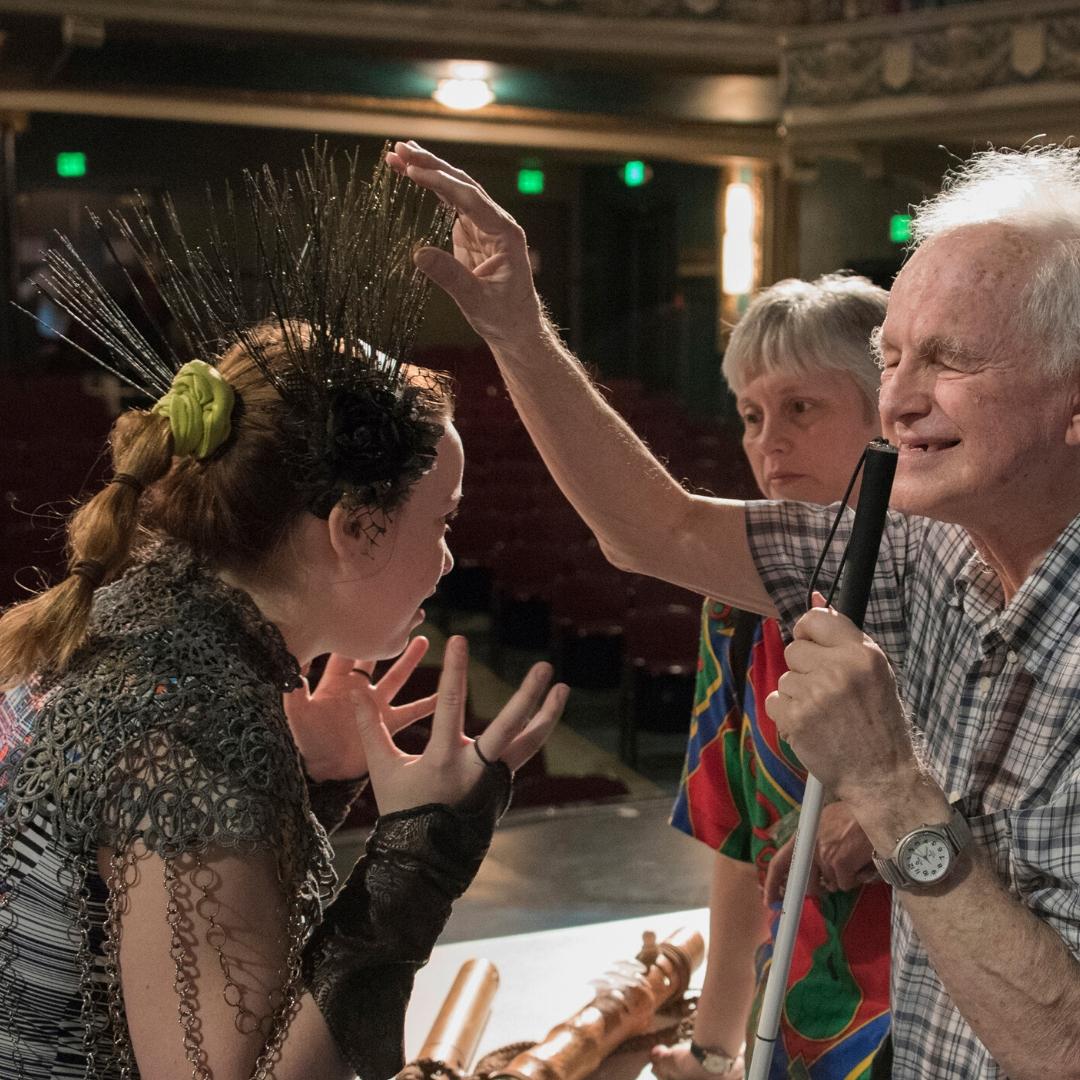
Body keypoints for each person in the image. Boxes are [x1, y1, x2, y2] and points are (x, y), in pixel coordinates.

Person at [390, 140, 1080, 1078]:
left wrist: (885, 789)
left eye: (951, 359)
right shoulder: (930, 552)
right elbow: (656, 531)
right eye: (891, 360)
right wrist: (515, 325)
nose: (901, 402)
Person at [0, 145, 567, 1080]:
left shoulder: (142, 628)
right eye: (443, 522)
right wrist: (420, 853)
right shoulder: (190, 728)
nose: (450, 558)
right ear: (354, 529)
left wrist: (305, 780)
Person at [651, 274, 891, 1080]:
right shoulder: (738, 608)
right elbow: (737, 848)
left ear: (885, 410)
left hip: (931, 1028)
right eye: (752, 416)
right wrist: (714, 1049)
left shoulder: (968, 583)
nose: (767, 442)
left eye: (800, 408)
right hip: (785, 1029)